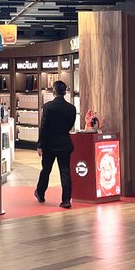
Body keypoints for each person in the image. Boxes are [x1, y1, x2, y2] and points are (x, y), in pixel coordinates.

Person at [35, 80, 77, 208]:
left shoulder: (48, 107)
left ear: (54, 91)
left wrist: (40, 144)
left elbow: (43, 127)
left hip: (49, 144)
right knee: (65, 171)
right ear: (65, 91)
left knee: (46, 170)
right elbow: (70, 125)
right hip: (65, 143)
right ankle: (66, 200)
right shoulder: (71, 108)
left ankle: (40, 193)